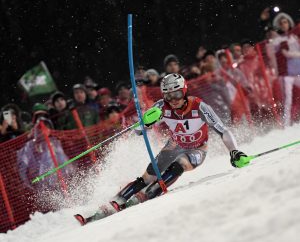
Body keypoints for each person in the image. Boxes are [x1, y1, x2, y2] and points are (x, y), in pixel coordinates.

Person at [75, 73, 247, 225]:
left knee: (179, 164)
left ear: (185, 91)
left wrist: (234, 152)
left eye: (177, 94)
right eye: (169, 96)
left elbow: (223, 130)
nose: (174, 100)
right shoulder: (162, 106)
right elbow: (138, 130)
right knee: (149, 175)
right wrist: (146, 123)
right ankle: (116, 200)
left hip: (198, 149)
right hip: (174, 145)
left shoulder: (199, 107)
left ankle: (150, 193)